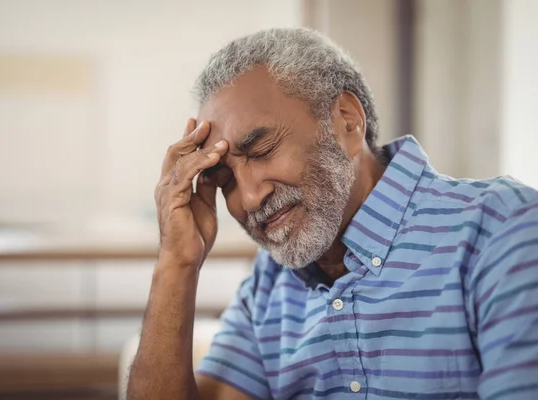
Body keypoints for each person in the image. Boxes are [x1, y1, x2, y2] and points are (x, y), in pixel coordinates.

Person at [127, 28, 538, 400]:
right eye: (225, 180)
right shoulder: (268, 287)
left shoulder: (502, 230)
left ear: (346, 120)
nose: (249, 198)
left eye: (262, 150)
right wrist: (177, 264)